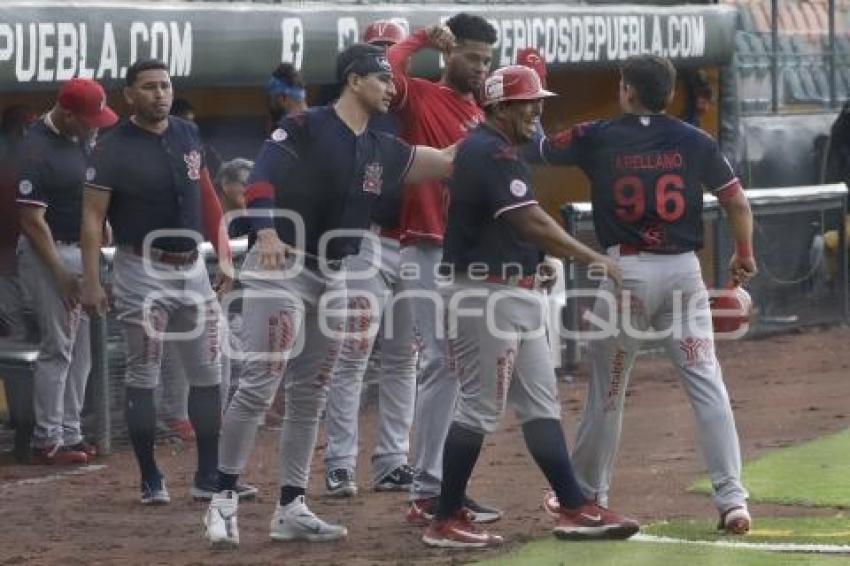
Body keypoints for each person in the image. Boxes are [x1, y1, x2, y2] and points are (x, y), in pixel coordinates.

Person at [202, 43, 455, 548]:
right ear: (354, 80)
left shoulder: (380, 144)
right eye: (382, 79)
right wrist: (267, 232)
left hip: (334, 273)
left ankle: (291, 505)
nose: (390, 88)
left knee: (312, 388)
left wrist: (507, 127)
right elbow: (261, 179)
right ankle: (222, 497)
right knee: (260, 382)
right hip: (284, 264)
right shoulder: (305, 125)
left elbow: (446, 161)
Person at [529, 55, 756, 535]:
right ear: (669, 93)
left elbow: (538, 147)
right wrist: (744, 254)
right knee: (707, 384)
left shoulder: (597, 135)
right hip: (683, 275)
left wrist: (535, 86)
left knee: (607, 393)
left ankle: (591, 493)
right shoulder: (695, 140)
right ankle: (733, 501)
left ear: (628, 90)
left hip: (624, 272)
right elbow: (736, 200)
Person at [423, 64, 639, 548]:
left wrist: (533, 261)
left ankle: (572, 504)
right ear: (499, 107)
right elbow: (532, 221)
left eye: (539, 101)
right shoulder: (490, 150)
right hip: (482, 293)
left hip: (510, 290)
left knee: (541, 403)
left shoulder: (499, 150)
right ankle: (444, 517)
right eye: (527, 102)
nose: (537, 109)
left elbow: (516, 230)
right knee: (480, 407)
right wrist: (593, 259)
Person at [80, 59, 252, 504]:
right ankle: (150, 476)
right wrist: (93, 279)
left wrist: (226, 255)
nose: (160, 94)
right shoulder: (111, 146)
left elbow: (208, 195)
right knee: (144, 373)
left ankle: (208, 475)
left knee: (208, 373)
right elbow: (93, 216)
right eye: (150, 87)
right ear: (130, 95)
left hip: (193, 264)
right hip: (141, 266)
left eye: (166, 85)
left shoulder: (187, 132)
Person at [386, 12, 502, 524]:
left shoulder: (482, 112)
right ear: (450, 54)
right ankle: (429, 488)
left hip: (466, 254)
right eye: (472, 56)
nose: (479, 67)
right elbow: (388, 71)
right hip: (426, 247)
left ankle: (443, 485)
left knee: (458, 368)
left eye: (487, 60)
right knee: (440, 363)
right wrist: (419, 38)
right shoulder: (422, 96)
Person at [319, 16, 413, 500]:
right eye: (377, 54)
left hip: (415, 242)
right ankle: (339, 461)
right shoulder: (338, 117)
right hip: (366, 242)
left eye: (391, 54)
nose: (387, 66)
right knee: (352, 353)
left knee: (403, 358)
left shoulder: (417, 100)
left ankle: (394, 459)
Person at [15, 79, 117, 464]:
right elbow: (31, 220)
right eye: (89, 119)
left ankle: (70, 432)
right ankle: (48, 438)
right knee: (58, 346)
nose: (95, 126)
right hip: (51, 253)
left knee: (83, 350)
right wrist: (59, 273)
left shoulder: (79, 138)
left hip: (82, 250)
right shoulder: (36, 148)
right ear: (67, 113)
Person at [0, 105, 36, 341]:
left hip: (29, 258)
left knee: (23, 326)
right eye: (27, 126)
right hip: (12, 260)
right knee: (20, 327)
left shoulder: (35, 163)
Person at [267, 62, 308, 133]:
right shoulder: (319, 122)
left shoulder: (286, 130)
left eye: (274, 98)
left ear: (282, 98)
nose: (272, 102)